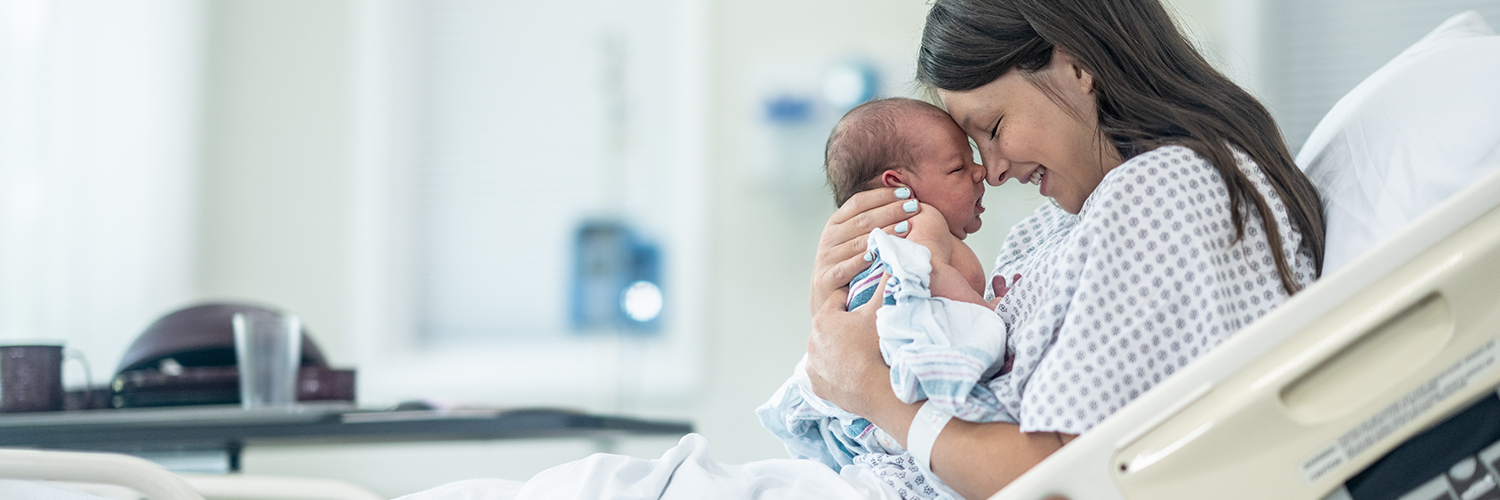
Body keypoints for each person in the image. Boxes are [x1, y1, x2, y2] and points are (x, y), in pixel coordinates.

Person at [803, 1, 1325, 499]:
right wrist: (851, 305)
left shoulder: (1166, 191)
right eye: (972, 150)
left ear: (1077, 66)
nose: (994, 170)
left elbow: (1064, 482)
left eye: (995, 128)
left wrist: (866, 385)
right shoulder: (1059, 225)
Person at [760, 97, 1015, 500]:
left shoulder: (881, 245)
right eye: (957, 167)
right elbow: (933, 276)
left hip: (872, 424)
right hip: (907, 401)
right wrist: (990, 313)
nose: (981, 170)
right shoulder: (920, 222)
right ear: (898, 186)